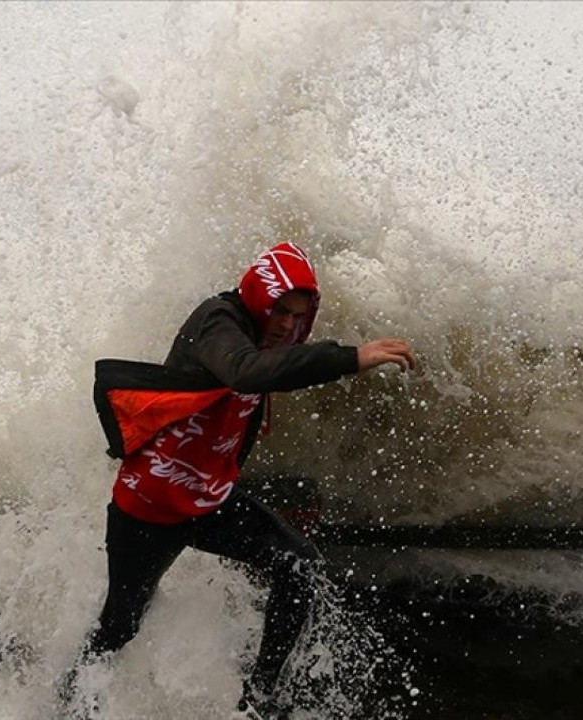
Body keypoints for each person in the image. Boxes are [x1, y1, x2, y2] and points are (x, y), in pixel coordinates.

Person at [72, 242, 416, 718]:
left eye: (298, 316)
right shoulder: (217, 321)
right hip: (149, 504)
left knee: (300, 566)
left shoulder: (269, 342)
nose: (286, 325)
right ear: (258, 298)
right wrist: (349, 358)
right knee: (119, 627)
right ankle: (72, 706)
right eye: (279, 311)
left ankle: (257, 702)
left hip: (209, 502)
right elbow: (244, 373)